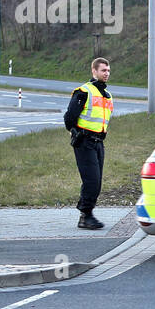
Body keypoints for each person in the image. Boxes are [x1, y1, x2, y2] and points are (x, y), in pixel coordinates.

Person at [64, 58, 113, 230]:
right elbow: (69, 117)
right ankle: (85, 216)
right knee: (92, 180)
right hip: (84, 142)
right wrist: (74, 132)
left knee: (96, 181)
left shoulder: (107, 95)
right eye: (103, 70)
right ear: (94, 71)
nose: (106, 73)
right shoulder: (84, 91)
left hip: (99, 143)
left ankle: (86, 213)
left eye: (108, 70)